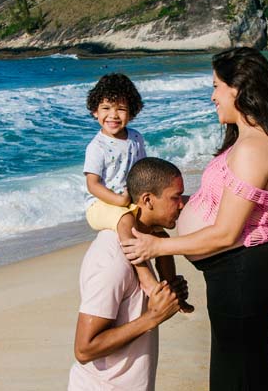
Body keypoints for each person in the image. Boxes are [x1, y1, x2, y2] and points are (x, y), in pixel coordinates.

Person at [121, 47, 268, 390]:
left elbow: (226, 233)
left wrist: (156, 246)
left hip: (242, 272)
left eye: (217, 86)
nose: (213, 96)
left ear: (239, 89)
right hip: (246, 270)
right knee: (251, 366)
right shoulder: (252, 142)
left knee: (235, 374)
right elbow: (224, 206)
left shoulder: (253, 149)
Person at [69, 157, 190, 390]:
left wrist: (169, 293)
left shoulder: (141, 245)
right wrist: (152, 317)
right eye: (175, 197)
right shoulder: (113, 261)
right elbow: (84, 349)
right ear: (147, 200)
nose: (182, 204)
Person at [83, 73, 193, 312]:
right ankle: (148, 282)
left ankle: (171, 289)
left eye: (121, 109)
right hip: (101, 205)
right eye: (105, 108)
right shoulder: (96, 147)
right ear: (95, 111)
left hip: (128, 202)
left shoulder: (135, 138)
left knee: (161, 238)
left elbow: (141, 172)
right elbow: (92, 185)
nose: (113, 115)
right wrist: (118, 200)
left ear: (131, 112)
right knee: (125, 221)